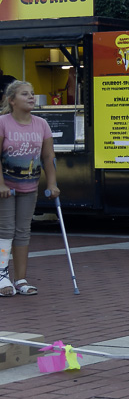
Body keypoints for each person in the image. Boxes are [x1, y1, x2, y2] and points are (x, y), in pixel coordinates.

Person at [0, 81, 59, 296]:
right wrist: (0, 184)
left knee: (23, 231)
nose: (31, 97)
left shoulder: (41, 124)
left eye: (32, 93)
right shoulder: (3, 123)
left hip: (29, 186)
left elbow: (48, 157)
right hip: (6, 187)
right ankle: (2, 275)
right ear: (12, 100)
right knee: (6, 230)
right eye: (25, 94)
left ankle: (20, 279)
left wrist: (52, 183)